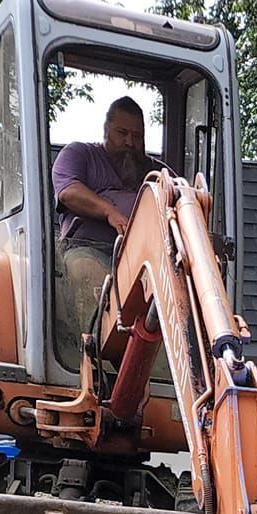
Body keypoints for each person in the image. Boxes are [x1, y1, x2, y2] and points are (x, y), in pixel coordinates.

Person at [51, 94, 158, 367]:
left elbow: (178, 193)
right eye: (122, 133)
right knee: (88, 276)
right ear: (106, 130)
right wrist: (110, 212)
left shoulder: (154, 171)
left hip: (142, 267)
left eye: (137, 136)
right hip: (86, 252)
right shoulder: (79, 155)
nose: (130, 143)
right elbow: (68, 192)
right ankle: (91, 362)